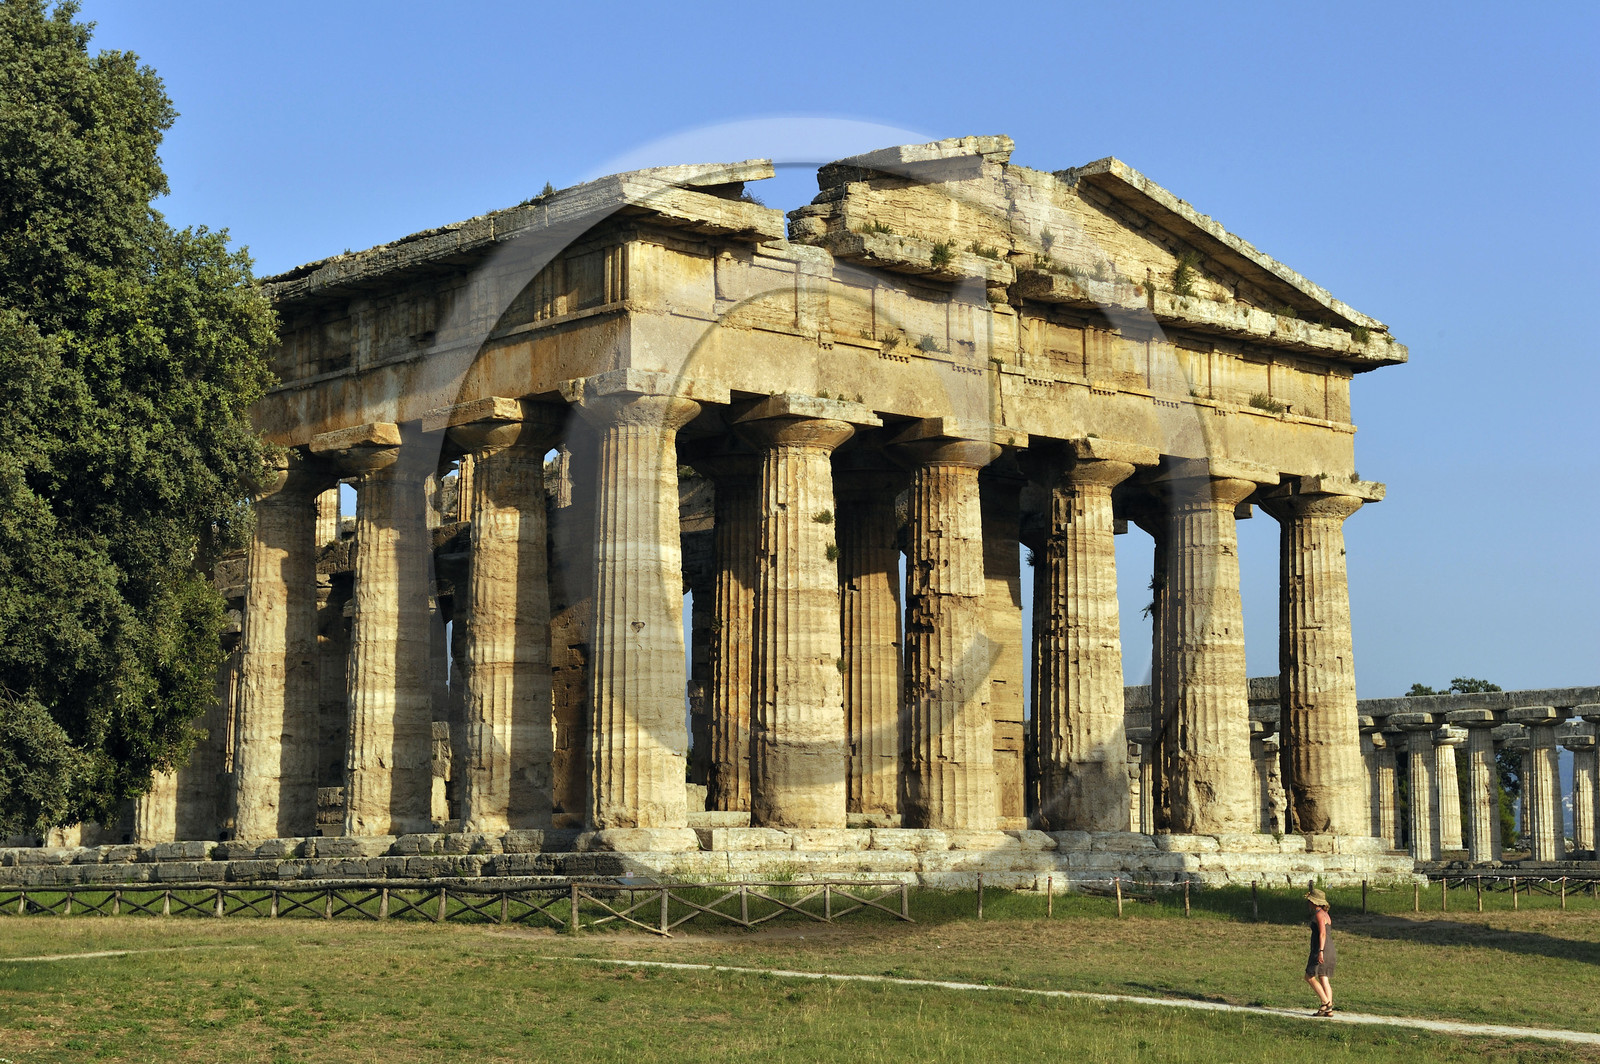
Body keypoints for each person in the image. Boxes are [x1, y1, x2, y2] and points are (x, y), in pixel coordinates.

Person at [1304, 887, 1337, 1015]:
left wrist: (1320, 951)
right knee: (1324, 977)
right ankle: (1329, 1009)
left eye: (1310, 900)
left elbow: (1322, 934)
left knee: (1309, 976)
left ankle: (1326, 1003)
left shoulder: (1318, 915)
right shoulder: (1326, 914)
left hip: (1321, 949)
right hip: (1330, 949)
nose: (1308, 903)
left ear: (1314, 902)